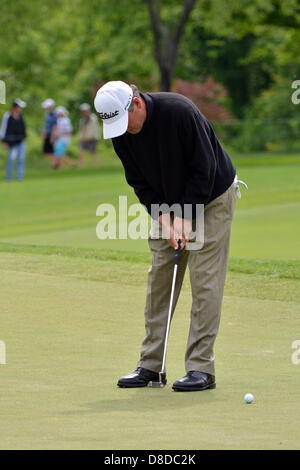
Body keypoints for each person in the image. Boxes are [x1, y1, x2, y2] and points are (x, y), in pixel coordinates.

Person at [94, 81, 246, 392]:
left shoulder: (179, 112)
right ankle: (152, 365)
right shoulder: (120, 131)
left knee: (204, 281)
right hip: (166, 199)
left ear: (136, 103)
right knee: (160, 279)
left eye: (124, 121)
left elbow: (204, 168)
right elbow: (138, 182)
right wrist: (165, 219)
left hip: (212, 196)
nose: (122, 131)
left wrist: (186, 218)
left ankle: (201, 368)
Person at [0, 98, 27, 181]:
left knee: (21, 159)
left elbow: (23, 128)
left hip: (20, 141)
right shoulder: (7, 116)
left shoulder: (21, 116)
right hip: (11, 142)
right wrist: (4, 141)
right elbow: (3, 128)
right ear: (15, 107)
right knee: (11, 160)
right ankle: (9, 177)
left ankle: (20, 177)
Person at [78, 103, 100, 168]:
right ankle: (82, 167)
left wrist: (87, 137)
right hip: (84, 138)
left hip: (92, 138)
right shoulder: (82, 119)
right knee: (81, 152)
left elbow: (93, 130)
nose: (84, 112)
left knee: (93, 152)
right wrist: (80, 137)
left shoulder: (93, 118)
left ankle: (95, 166)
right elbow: (81, 130)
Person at [41, 98, 57, 167]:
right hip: (47, 134)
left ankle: (55, 164)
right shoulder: (47, 114)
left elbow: (55, 126)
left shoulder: (54, 114)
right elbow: (46, 126)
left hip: (52, 135)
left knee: (52, 150)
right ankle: (54, 163)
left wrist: (52, 137)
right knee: (46, 151)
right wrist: (44, 134)